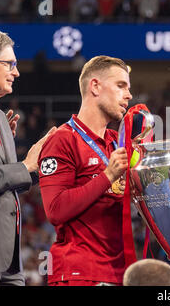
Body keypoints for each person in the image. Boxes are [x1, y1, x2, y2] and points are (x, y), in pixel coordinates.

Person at [38, 55, 133, 286]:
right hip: (78, 273)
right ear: (95, 86)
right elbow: (55, 210)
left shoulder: (118, 143)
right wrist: (108, 176)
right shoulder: (62, 140)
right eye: (121, 86)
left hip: (121, 273)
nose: (129, 95)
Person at [0, 29, 56, 286]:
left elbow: (11, 182)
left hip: (9, 255)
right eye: (10, 64)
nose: (16, 72)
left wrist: (38, 164)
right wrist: (24, 165)